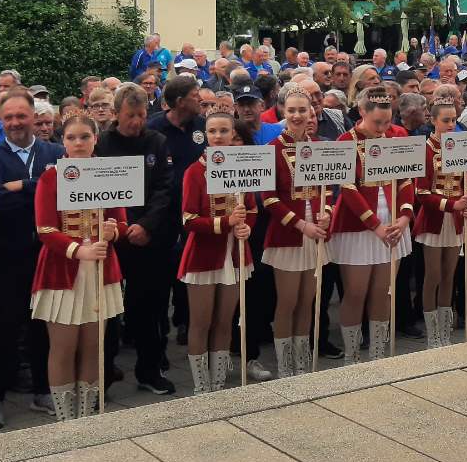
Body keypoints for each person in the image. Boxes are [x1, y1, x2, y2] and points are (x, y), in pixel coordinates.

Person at [0, 88, 63, 427]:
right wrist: (38, 187)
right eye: (8, 117)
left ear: (34, 118)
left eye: (21, 116)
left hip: (47, 255)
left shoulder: (55, 151)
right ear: (0, 119)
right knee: (0, 329)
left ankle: (43, 389)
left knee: (43, 324)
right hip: (2, 257)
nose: (15, 122)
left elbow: (64, 194)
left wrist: (19, 186)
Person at [31, 115, 125, 419]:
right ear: (63, 142)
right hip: (61, 271)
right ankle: (65, 418)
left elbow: (122, 221)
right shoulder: (50, 178)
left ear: (95, 139)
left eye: (85, 137)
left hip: (101, 269)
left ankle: (86, 415)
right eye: (72, 138)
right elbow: (45, 229)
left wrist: (114, 231)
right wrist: (77, 250)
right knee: (62, 348)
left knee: (94, 347)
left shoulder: (109, 174)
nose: (79, 143)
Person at [94, 83, 176, 395]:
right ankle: (103, 374)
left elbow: (164, 189)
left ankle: (149, 370)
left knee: (149, 308)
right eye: (130, 115)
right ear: (116, 114)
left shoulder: (157, 142)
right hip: (112, 239)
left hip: (146, 237)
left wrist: (145, 226)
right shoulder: (101, 144)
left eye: (142, 115)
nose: (137, 121)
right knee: (108, 312)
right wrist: (118, 227)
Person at [331, 87, 416, 360]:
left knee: (384, 291)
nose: (382, 128)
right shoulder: (345, 140)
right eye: (377, 122)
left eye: (387, 121)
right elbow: (348, 190)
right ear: (362, 113)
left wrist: (404, 217)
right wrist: (375, 225)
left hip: (393, 223)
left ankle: (379, 353)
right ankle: (352, 354)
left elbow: (405, 181)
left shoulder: (396, 137)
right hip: (357, 226)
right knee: (355, 293)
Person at [178, 110, 258, 392]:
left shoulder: (244, 166)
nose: (218, 136)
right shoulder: (194, 172)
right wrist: (225, 223)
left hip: (236, 254)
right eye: (213, 132)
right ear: (205, 135)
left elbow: (251, 208)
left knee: (225, 321)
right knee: (201, 322)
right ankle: (202, 386)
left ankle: (219, 381)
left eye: (224, 131)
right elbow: (188, 220)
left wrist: (246, 228)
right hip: (202, 255)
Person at [261, 88, 332, 376]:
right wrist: (302, 224)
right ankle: (284, 364)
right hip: (288, 234)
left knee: (307, 300)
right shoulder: (273, 148)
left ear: (311, 113)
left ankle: (302, 362)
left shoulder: (320, 147)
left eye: (303, 110)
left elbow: (330, 188)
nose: (298, 116)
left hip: (317, 231)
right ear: (283, 113)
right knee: (288, 301)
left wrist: (328, 213)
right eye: (292, 110)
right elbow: (269, 198)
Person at [413, 99, 467, 345]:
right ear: (433, 120)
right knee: (433, 275)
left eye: (453, 120)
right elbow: (421, 193)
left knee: (450, 275)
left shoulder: (462, 146)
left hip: (457, 221)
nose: (451, 125)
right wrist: (451, 205)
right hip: (434, 221)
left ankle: (444, 332)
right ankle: (432, 333)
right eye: (446, 120)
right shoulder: (426, 149)